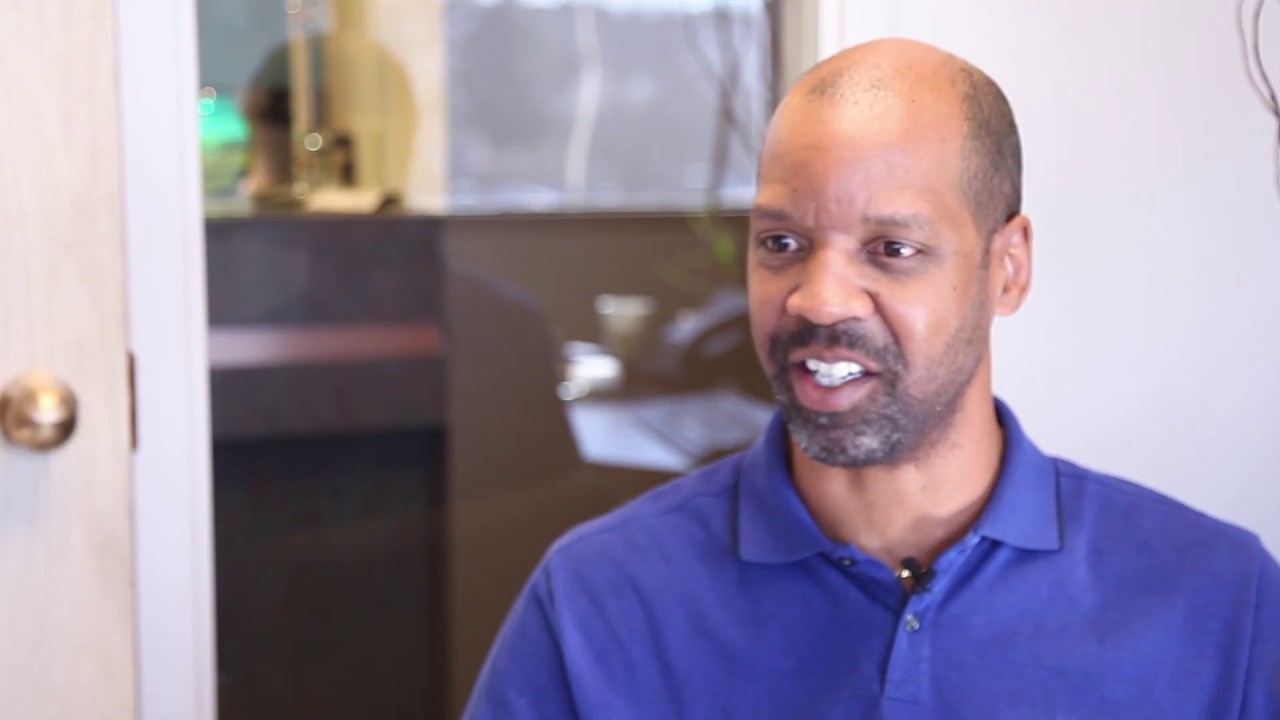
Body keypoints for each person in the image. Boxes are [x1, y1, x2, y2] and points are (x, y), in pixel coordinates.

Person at [462, 38, 1280, 719]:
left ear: (1009, 268)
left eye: (892, 249)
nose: (818, 299)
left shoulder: (1219, 601)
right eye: (781, 243)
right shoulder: (598, 601)